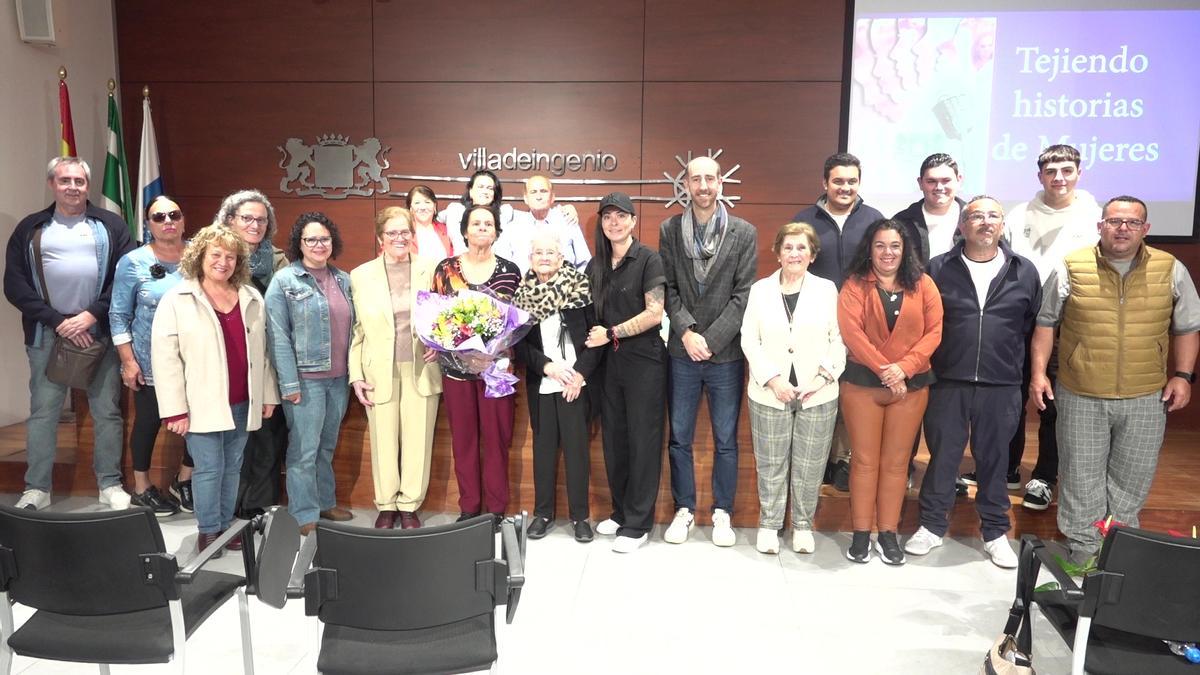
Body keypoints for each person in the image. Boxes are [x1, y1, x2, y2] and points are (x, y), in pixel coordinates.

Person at [1030, 195, 1199, 563]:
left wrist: (1183, 376)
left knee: (1132, 479)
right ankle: (1084, 551)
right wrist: (1039, 374)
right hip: (1081, 393)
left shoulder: (1171, 269)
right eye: (1115, 221)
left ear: (1146, 229)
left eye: (1132, 222)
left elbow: (1187, 327)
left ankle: (1118, 551)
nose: (1123, 229)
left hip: (1146, 396)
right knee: (1080, 476)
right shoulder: (1071, 267)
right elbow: (1046, 323)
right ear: (1100, 226)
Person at [908, 197, 1041, 569]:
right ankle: (932, 526)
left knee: (995, 462)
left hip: (1001, 385)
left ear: (1002, 225)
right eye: (976, 216)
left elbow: (1030, 326)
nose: (985, 222)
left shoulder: (1023, 271)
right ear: (962, 226)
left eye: (993, 216)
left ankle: (995, 531)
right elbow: (922, 323)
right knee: (943, 458)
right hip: (947, 381)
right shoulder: (938, 268)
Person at [970, 144, 1099, 510]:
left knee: (1051, 403)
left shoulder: (1093, 215)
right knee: (1009, 397)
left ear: (1078, 173)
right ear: (1039, 175)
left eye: (1067, 170)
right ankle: (1006, 467)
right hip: (1018, 322)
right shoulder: (1018, 214)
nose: (1059, 177)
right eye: (1051, 171)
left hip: (1069, 325)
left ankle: (1044, 476)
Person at [4, 157, 134, 511]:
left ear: (87, 185)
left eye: (79, 181)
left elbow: (125, 279)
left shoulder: (111, 225)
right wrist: (58, 321)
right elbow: (14, 285)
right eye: (65, 180)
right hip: (48, 333)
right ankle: (37, 488)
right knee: (44, 411)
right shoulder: (31, 228)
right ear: (52, 184)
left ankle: (109, 484)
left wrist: (91, 315)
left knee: (106, 411)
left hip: (99, 332)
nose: (73, 187)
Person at [151, 224, 280, 554]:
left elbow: (262, 353)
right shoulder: (177, 299)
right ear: (200, 256)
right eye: (216, 255)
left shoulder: (251, 297)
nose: (223, 262)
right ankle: (208, 531)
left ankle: (224, 525)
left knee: (233, 467)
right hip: (200, 403)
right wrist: (175, 409)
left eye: (231, 256)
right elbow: (165, 361)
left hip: (241, 400)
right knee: (208, 468)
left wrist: (267, 395)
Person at [659, 156, 757, 547]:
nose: (702, 185)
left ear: (720, 183)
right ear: (685, 183)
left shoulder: (743, 232)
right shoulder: (669, 229)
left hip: (726, 356)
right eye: (695, 179)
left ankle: (722, 512)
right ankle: (684, 509)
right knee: (679, 436)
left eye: (709, 179)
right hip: (682, 352)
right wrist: (685, 332)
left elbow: (744, 293)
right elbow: (667, 288)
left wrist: (711, 339)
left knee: (726, 439)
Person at [837, 219, 942, 565]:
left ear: (905, 249)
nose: (887, 252)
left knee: (897, 464)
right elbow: (852, 334)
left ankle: (888, 533)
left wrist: (905, 368)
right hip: (862, 384)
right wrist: (886, 370)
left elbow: (934, 332)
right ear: (870, 248)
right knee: (865, 462)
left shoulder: (924, 284)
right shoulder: (854, 285)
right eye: (880, 245)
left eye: (894, 246)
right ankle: (862, 534)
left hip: (910, 387)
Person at [741, 222, 843, 555]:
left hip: (818, 393)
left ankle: (802, 526)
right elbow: (749, 340)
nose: (795, 253)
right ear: (778, 253)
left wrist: (820, 380)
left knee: (809, 465)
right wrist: (772, 379)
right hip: (770, 392)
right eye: (788, 247)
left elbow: (838, 341)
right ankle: (769, 525)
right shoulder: (760, 291)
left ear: (812, 255)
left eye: (802, 248)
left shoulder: (827, 290)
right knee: (770, 463)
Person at [792, 152, 885, 492]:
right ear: (825, 183)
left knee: (851, 393)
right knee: (818, 387)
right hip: (816, 322)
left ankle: (844, 460)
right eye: (838, 181)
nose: (845, 187)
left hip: (862, 322)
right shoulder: (805, 220)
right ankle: (819, 460)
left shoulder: (875, 219)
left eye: (852, 181)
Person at [583, 192, 667, 554]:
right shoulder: (596, 265)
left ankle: (638, 522)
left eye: (621, 216)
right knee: (614, 440)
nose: (614, 223)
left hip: (644, 361)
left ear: (633, 221)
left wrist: (613, 333)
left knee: (642, 440)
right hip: (609, 364)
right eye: (607, 217)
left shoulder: (648, 258)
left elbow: (655, 314)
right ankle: (619, 511)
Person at [349, 207, 442, 529]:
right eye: (392, 233)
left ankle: (409, 505)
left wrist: (439, 345)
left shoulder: (430, 270)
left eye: (405, 232)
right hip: (378, 371)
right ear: (380, 238)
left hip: (421, 368)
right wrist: (356, 375)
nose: (399, 238)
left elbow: (446, 319)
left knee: (418, 442)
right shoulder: (361, 275)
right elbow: (357, 330)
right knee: (383, 441)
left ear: (412, 236)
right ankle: (386, 505)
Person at [266, 212, 355, 536]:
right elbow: (277, 335)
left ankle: (324, 502)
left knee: (326, 446)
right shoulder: (285, 281)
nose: (319, 245)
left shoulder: (343, 279)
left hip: (338, 379)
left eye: (324, 239)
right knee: (304, 450)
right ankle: (304, 513)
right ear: (299, 244)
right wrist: (289, 383)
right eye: (311, 239)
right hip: (305, 380)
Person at [432, 203, 522, 522]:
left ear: (497, 231)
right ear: (465, 230)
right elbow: (437, 318)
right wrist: (437, 342)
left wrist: (496, 351)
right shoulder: (446, 269)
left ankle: (496, 509)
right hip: (455, 370)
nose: (482, 228)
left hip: (495, 370)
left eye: (488, 223)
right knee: (464, 440)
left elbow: (517, 322)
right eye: (476, 223)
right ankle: (469, 507)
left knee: (497, 441)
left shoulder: (511, 271)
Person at [512, 228, 602, 543]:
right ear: (531, 259)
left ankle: (580, 517)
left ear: (561, 257)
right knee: (544, 450)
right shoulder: (522, 296)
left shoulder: (580, 288)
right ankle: (543, 513)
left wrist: (579, 375)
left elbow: (596, 337)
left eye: (551, 252)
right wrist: (546, 366)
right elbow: (519, 345)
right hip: (543, 382)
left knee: (577, 451)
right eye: (539, 253)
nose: (545, 257)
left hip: (576, 383)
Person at [110, 195, 191, 516]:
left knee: (201, 424)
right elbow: (118, 315)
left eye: (175, 214)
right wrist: (128, 361)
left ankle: (184, 480)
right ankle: (142, 487)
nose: (168, 221)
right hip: (150, 362)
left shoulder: (200, 256)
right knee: (148, 423)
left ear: (184, 220)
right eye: (159, 217)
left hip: (195, 363)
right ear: (148, 224)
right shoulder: (133, 262)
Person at [215, 189, 291, 520]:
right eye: (247, 218)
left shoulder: (278, 260)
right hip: (227, 358)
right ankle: (227, 507)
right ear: (229, 220)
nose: (255, 225)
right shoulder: (215, 256)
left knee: (268, 436)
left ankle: (258, 506)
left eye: (261, 220)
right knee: (232, 439)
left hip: (268, 357)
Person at [496, 174, 591, 273]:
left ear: (552, 197)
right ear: (525, 198)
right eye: (533, 192)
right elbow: (505, 267)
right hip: (524, 286)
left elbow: (584, 264)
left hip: (566, 286)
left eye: (543, 191)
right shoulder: (513, 224)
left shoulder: (567, 219)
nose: (539, 197)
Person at [892, 153, 966, 266]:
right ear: (920, 183)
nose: (939, 187)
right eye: (931, 181)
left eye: (946, 180)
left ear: (959, 180)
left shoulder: (976, 219)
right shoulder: (900, 222)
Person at [438, 170, 515, 253]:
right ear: (471, 191)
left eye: (489, 188)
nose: (485, 191)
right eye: (480, 187)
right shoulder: (455, 210)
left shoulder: (504, 213)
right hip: (461, 263)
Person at [406, 185, 455, 262]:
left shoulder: (446, 229)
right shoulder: (404, 231)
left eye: (427, 202)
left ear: (434, 207)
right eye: (417, 203)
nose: (423, 207)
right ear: (411, 209)